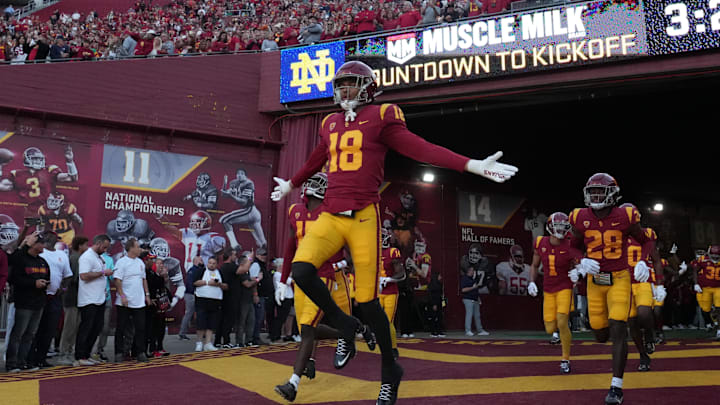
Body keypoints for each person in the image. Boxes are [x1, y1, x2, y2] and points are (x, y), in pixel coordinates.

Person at [271, 60, 516, 405]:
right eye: (340, 85)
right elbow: (317, 157)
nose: (344, 91)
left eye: (352, 84)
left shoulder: (383, 115)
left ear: (368, 87)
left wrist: (470, 164)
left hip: (363, 217)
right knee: (301, 270)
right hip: (331, 213)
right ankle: (345, 325)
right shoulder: (329, 122)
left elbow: (420, 148)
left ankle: (390, 372)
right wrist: (292, 185)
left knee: (369, 304)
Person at [274, 173, 373, 402]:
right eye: (311, 181)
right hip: (301, 278)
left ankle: (292, 384)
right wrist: (282, 280)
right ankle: (354, 331)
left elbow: (352, 242)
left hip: (323, 276)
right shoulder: (295, 211)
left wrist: (347, 262)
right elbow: (290, 248)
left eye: (319, 183)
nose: (312, 186)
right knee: (307, 329)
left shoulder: (334, 214)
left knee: (308, 330)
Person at [569, 173, 662, 405]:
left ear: (612, 193)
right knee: (600, 333)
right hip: (595, 280)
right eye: (592, 192)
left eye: (600, 191)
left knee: (619, 327)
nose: (596, 195)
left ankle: (616, 387)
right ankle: (617, 338)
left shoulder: (625, 215)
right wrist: (580, 260)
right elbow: (571, 246)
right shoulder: (579, 217)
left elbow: (647, 241)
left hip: (620, 278)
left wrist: (641, 260)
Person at [528, 213, 583, 374]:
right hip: (548, 289)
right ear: (550, 227)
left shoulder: (570, 244)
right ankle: (558, 335)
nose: (559, 229)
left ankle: (565, 359)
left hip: (565, 287)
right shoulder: (540, 242)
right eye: (556, 226)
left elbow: (580, 265)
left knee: (561, 321)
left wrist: (577, 273)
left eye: (562, 226)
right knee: (549, 327)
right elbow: (534, 264)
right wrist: (531, 281)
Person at [5, 232, 50, 373]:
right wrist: (33, 283)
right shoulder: (21, 259)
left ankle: (23, 361)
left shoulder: (42, 261)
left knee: (30, 335)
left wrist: (45, 283)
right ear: (34, 245)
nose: (44, 246)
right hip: (24, 302)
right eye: (41, 243)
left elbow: (47, 276)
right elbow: (13, 279)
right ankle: (11, 363)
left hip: (39, 303)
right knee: (18, 334)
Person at [625, 224, 666, 372]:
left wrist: (659, 284)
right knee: (632, 322)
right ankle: (643, 355)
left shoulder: (646, 234)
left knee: (644, 312)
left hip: (643, 281)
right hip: (623, 285)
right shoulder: (614, 237)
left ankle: (649, 334)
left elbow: (656, 259)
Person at [27, 232, 72, 368]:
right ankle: (30, 358)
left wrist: (63, 288)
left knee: (50, 329)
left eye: (56, 238)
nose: (54, 240)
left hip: (55, 297)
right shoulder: (40, 252)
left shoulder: (62, 255)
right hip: (39, 295)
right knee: (35, 329)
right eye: (51, 237)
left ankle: (42, 357)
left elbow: (68, 275)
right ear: (45, 238)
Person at [75, 234, 112, 366]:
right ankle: (79, 356)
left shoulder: (99, 257)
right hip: (88, 299)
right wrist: (103, 273)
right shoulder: (87, 257)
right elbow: (84, 276)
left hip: (99, 298)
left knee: (96, 328)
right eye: (104, 247)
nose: (105, 250)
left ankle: (87, 354)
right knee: (86, 328)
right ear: (98, 243)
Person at [113, 238, 151, 363]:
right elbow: (117, 280)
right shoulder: (122, 262)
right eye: (138, 247)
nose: (140, 249)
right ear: (131, 248)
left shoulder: (140, 262)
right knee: (121, 328)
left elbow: (143, 279)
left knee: (141, 328)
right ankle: (119, 353)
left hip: (139, 302)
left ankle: (140, 352)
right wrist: (122, 296)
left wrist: (147, 295)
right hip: (124, 301)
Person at [57, 236, 88, 365]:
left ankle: (70, 351)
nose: (87, 248)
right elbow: (75, 279)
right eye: (86, 245)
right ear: (80, 246)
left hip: (78, 297)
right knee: (69, 327)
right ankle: (64, 353)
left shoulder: (79, 258)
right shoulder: (75, 258)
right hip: (71, 297)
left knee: (75, 326)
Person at [379, 228, 404, 358]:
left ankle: (393, 349)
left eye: (381, 236)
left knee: (388, 321)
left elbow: (402, 274)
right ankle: (385, 347)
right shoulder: (373, 252)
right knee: (378, 321)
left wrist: (388, 279)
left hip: (390, 292)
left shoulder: (393, 252)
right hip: (377, 292)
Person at [193, 257, 227, 351]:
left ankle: (208, 343)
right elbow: (195, 282)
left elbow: (226, 286)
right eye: (210, 263)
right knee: (201, 322)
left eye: (214, 263)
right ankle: (199, 342)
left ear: (217, 264)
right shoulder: (201, 271)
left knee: (212, 322)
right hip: (202, 299)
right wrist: (208, 282)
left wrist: (219, 284)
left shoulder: (220, 273)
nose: (211, 265)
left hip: (215, 301)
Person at [690, 245, 720, 339]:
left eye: (717, 256)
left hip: (718, 288)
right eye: (713, 256)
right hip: (705, 288)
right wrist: (696, 283)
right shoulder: (703, 260)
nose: (715, 258)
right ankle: (712, 323)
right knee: (705, 309)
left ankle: (719, 330)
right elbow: (695, 270)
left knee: (719, 308)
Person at [235, 252, 259, 347]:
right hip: (242, 299)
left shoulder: (247, 272)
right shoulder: (241, 272)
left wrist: (255, 294)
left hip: (249, 299)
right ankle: (239, 341)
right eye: (247, 262)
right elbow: (247, 284)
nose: (249, 264)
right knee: (242, 321)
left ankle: (249, 340)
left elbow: (251, 284)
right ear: (242, 264)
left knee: (251, 320)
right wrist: (257, 280)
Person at [250, 247, 273, 345]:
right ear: (257, 255)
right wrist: (255, 294)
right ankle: (255, 338)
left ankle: (256, 336)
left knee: (259, 317)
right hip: (259, 295)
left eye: (265, 255)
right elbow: (254, 280)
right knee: (258, 317)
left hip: (263, 295)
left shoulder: (261, 265)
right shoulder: (256, 264)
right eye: (262, 254)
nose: (264, 256)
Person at [179, 256, 203, 340]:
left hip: (194, 294)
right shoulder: (193, 270)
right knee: (189, 313)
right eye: (200, 260)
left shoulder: (197, 270)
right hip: (191, 294)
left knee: (198, 313)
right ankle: (182, 333)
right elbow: (190, 283)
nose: (202, 261)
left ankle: (201, 331)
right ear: (196, 261)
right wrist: (194, 292)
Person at [461, 266, 488, 336]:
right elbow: (463, 290)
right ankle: (468, 331)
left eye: (473, 271)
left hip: (475, 299)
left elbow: (476, 290)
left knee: (477, 315)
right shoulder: (464, 278)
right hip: (468, 299)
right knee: (469, 315)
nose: (473, 272)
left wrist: (478, 298)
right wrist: (473, 287)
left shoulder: (472, 279)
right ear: (468, 271)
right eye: (472, 270)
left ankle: (480, 330)